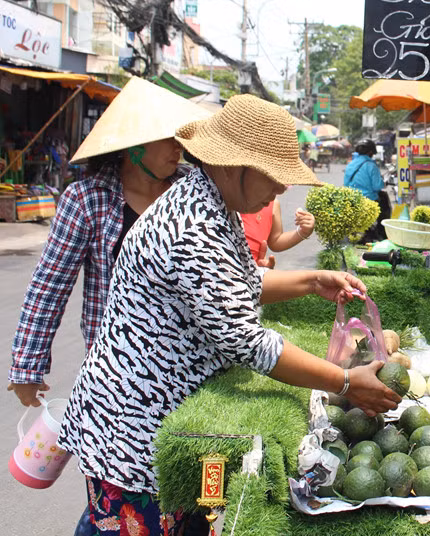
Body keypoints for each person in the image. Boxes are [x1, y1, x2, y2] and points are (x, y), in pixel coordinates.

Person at [57, 95, 401, 536]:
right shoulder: (192, 226)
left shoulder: (214, 203)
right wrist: (347, 382)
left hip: (167, 419)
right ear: (233, 164)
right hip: (133, 428)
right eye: (274, 178)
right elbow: (248, 342)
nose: (281, 190)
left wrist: (312, 280)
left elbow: (241, 281)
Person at [7, 78, 210, 536]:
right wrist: (27, 368)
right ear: (133, 144)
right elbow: (48, 287)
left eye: (183, 137)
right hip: (120, 386)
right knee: (122, 511)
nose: (179, 148)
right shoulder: (86, 200)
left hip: (194, 378)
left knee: (191, 505)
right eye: (167, 137)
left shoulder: (193, 195)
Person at [241, 200, 316, 269]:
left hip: (253, 272)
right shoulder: (234, 201)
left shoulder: (272, 203)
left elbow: (276, 240)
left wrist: (303, 232)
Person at [344, 139, 387, 242]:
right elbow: (377, 186)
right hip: (368, 200)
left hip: (351, 199)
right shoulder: (371, 165)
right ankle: (381, 233)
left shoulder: (350, 164)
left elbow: (345, 184)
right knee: (384, 203)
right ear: (371, 152)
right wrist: (383, 183)